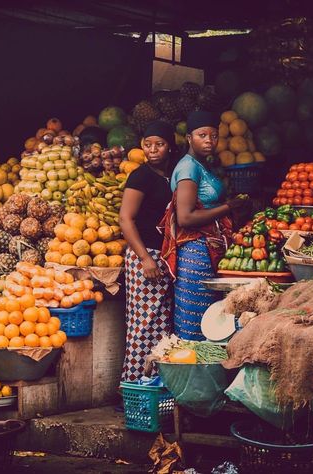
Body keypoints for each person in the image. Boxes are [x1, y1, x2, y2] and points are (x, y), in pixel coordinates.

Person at [159, 110, 249, 341]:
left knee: (211, 320)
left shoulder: (201, 165)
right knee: (196, 323)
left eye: (214, 136)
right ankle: (190, 371)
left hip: (207, 250)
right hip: (195, 253)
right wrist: (229, 207)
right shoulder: (189, 168)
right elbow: (185, 218)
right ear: (189, 138)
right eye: (202, 135)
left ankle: (205, 370)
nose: (209, 141)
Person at [119, 121, 176, 382]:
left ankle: (154, 383)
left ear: (170, 147)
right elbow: (126, 219)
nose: (153, 150)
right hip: (145, 256)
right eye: (147, 144)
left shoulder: (171, 174)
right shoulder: (140, 176)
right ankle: (132, 386)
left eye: (160, 144)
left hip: (163, 255)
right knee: (143, 325)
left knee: (161, 323)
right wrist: (144, 258)